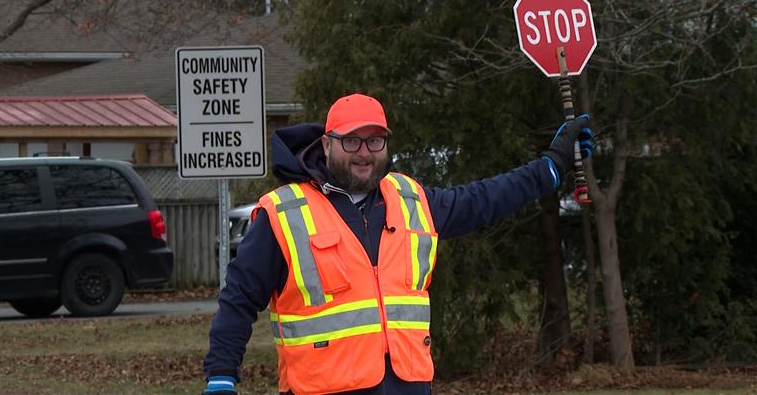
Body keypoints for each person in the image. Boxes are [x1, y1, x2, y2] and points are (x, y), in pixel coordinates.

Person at [202, 93, 593, 395]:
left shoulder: (410, 200)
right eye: (351, 142)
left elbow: (484, 200)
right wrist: (221, 377)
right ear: (326, 144)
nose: (364, 153)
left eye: (374, 141)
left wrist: (551, 167)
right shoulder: (284, 213)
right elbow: (238, 299)